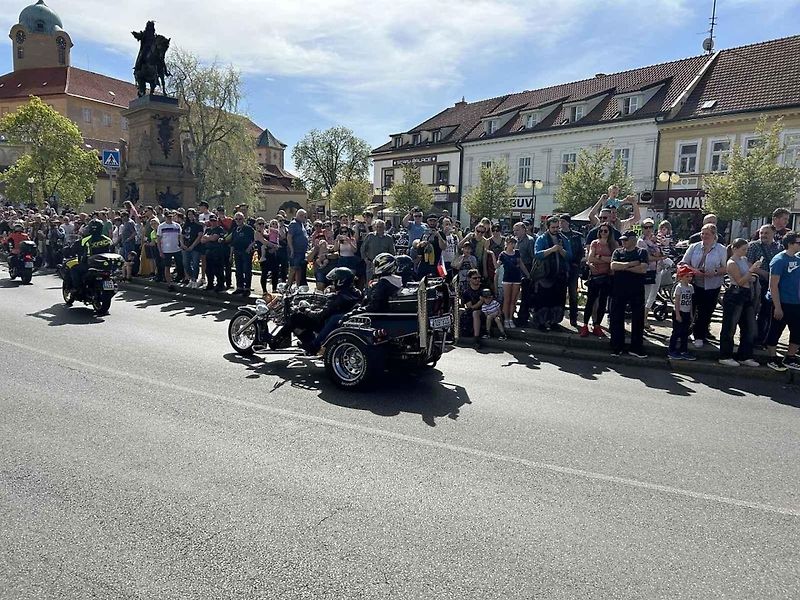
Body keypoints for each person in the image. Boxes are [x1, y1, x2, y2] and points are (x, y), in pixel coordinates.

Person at [279, 267, 362, 354]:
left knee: (296, 318)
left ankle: (312, 345)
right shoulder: (355, 293)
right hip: (340, 322)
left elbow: (320, 315)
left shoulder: (340, 298)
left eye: (334, 281)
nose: (332, 283)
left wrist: (306, 310)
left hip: (329, 324)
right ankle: (310, 343)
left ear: (341, 281)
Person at [680, 223, 727, 348]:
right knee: (690, 310)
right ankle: (686, 332)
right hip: (694, 283)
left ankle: (700, 335)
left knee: (706, 312)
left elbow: (726, 268)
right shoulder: (694, 247)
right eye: (702, 233)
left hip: (712, 285)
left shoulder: (721, 249)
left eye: (707, 234)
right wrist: (694, 271)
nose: (704, 236)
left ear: (714, 235)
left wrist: (715, 272)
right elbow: (683, 263)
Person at [718, 239, 761, 367]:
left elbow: (748, 278)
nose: (745, 251)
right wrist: (751, 270)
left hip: (747, 295)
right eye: (743, 249)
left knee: (749, 326)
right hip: (735, 294)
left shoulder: (743, 260)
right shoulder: (731, 262)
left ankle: (745, 355)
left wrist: (752, 275)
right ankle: (725, 355)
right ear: (734, 248)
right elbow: (740, 281)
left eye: (746, 249)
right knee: (730, 326)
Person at [609, 230, 649, 358]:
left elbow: (642, 268)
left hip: (636, 290)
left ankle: (636, 348)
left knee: (637, 319)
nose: (623, 242)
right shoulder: (618, 252)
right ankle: (616, 347)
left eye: (626, 240)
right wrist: (630, 264)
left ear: (633, 240)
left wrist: (624, 268)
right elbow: (613, 266)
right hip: (619, 289)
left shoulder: (641, 252)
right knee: (616, 317)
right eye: (622, 240)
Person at [764, 232, 800, 372]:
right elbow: (773, 285)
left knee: (797, 331)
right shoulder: (779, 260)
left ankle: (790, 357)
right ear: (790, 244)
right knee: (775, 330)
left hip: (795, 302)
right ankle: (772, 358)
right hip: (781, 301)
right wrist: (778, 307)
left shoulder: (797, 259)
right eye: (798, 242)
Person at [533, 216, 572, 332]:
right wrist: (551, 250)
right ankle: (541, 323)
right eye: (553, 227)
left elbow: (570, 256)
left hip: (560, 274)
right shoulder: (542, 238)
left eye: (557, 227)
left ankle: (554, 322)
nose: (555, 229)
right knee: (543, 300)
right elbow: (537, 254)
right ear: (548, 227)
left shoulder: (563, 239)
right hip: (545, 275)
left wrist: (561, 250)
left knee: (558, 300)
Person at [748, 224, 783, 347]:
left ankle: (761, 339)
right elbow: (748, 264)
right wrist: (764, 273)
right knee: (753, 310)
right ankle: (750, 337)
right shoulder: (754, 246)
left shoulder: (779, 247)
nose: (763, 236)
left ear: (773, 233)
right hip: (757, 282)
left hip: (772, 284)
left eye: (766, 233)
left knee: (766, 312)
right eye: (761, 233)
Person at [580, 223, 616, 337]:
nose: (603, 233)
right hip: (595, 276)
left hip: (607, 276)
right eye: (601, 231)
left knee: (602, 303)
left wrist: (599, 257)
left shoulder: (612, 244)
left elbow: (613, 259)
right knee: (590, 302)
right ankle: (585, 325)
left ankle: (597, 325)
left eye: (605, 231)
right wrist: (604, 260)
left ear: (609, 232)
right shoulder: (595, 243)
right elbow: (590, 258)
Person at [65, 219, 113, 293]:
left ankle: (77, 288)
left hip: (90, 265)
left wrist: (67, 250)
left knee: (74, 269)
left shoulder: (85, 240)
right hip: (105, 265)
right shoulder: (108, 240)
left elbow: (73, 249)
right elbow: (112, 250)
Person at [638, 218, 663, 332]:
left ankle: (645, 319)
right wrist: (660, 257)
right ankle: (641, 321)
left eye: (650, 227)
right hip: (647, 271)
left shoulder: (656, 240)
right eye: (645, 227)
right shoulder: (641, 241)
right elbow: (646, 257)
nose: (648, 230)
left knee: (652, 296)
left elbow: (663, 251)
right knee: (645, 296)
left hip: (657, 270)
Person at [559, 214, 584, 327]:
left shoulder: (576, 236)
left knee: (573, 293)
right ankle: (559, 316)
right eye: (560, 221)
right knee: (560, 293)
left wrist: (575, 263)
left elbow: (580, 252)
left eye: (563, 221)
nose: (561, 224)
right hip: (561, 268)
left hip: (573, 268)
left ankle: (573, 317)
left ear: (568, 222)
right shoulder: (557, 235)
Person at [498, 237, 528, 329]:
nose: (513, 245)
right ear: (507, 243)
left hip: (516, 278)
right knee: (507, 300)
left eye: (514, 243)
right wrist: (491, 255)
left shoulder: (517, 252)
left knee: (513, 300)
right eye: (511, 243)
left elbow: (521, 264)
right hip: (507, 279)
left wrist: (527, 274)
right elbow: (497, 265)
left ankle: (511, 319)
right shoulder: (502, 254)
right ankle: (506, 319)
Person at [668, 264, 697, 361]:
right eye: (687, 276)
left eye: (690, 276)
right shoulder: (679, 287)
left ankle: (683, 350)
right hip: (679, 312)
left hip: (687, 312)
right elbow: (676, 301)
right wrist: (677, 314)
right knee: (676, 332)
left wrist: (692, 314)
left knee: (685, 333)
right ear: (681, 277)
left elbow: (692, 302)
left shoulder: (691, 287)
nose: (689, 278)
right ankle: (671, 350)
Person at [227, 211, 255, 295]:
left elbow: (255, 239)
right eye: (236, 219)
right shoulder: (235, 229)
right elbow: (232, 243)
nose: (238, 220)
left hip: (245, 252)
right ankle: (240, 287)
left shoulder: (248, 228)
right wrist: (230, 255)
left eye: (240, 219)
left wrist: (250, 247)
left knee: (246, 270)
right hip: (237, 252)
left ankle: (247, 288)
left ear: (243, 219)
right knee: (238, 270)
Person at [414, 215, 447, 279]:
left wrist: (438, 236)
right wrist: (421, 244)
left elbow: (443, 247)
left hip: (436, 263)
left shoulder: (440, 233)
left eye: (434, 221)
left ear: (437, 222)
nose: (432, 223)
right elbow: (418, 249)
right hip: (424, 262)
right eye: (430, 221)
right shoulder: (424, 233)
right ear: (427, 222)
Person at [157, 210, 182, 291]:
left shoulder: (177, 226)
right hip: (166, 250)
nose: (169, 218)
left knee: (180, 265)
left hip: (177, 249)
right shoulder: (161, 226)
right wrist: (160, 251)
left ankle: (179, 278)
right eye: (168, 217)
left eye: (171, 217)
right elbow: (158, 239)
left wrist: (181, 245)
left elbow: (180, 237)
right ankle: (169, 283)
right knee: (167, 267)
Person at [201, 215, 227, 292]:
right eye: (211, 221)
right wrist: (209, 238)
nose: (213, 222)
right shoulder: (208, 229)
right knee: (208, 270)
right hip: (209, 252)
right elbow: (202, 240)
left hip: (217, 252)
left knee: (218, 270)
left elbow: (214, 238)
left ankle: (220, 285)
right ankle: (210, 284)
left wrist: (207, 238)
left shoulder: (219, 229)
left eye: (214, 221)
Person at [461, 268, 486, 344]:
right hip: (474, 310)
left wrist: (483, 301)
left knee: (475, 313)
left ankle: (476, 338)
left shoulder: (484, 288)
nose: (477, 279)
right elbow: (470, 307)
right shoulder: (466, 292)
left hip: (486, 310)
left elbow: (490, 301)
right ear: (469, 279)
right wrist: (480, 302)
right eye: (475, 278)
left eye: (479, 277)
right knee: (461, 311)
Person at [180, 208, 203, 288]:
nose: (190, 216)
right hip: (185, 247)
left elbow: (199, 236)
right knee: (186, 263)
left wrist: (192, 246)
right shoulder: (185, 225)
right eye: (188, 214)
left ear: (194, 215)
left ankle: (194, 280)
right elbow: (181, 236)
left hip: (195, 247)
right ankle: (190, 277)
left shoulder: (199, 225)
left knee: (195, 264)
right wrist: (182, 244)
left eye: (191, 214)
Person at [287, 209, 309, 288]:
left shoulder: (301, 224)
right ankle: (288, 286)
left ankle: (298, 286)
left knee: (299, 269)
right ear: (300, 215)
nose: (305, 218)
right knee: (293, 268)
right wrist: (292, 249)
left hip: (301, 251)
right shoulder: (294, 224)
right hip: (295, 251)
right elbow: (289, 237)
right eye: (304, 216)